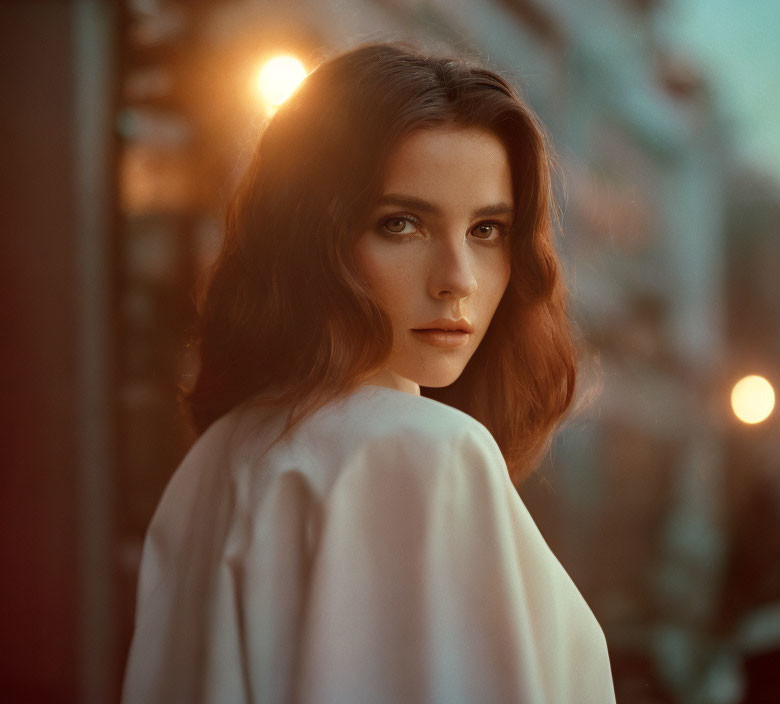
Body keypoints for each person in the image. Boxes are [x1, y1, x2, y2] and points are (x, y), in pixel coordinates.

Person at [121, 41, 616, 703]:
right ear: (313, 236)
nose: (457, 281)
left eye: (488, 230)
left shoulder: (220, 458)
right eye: (402, 223)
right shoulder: (424, 451)